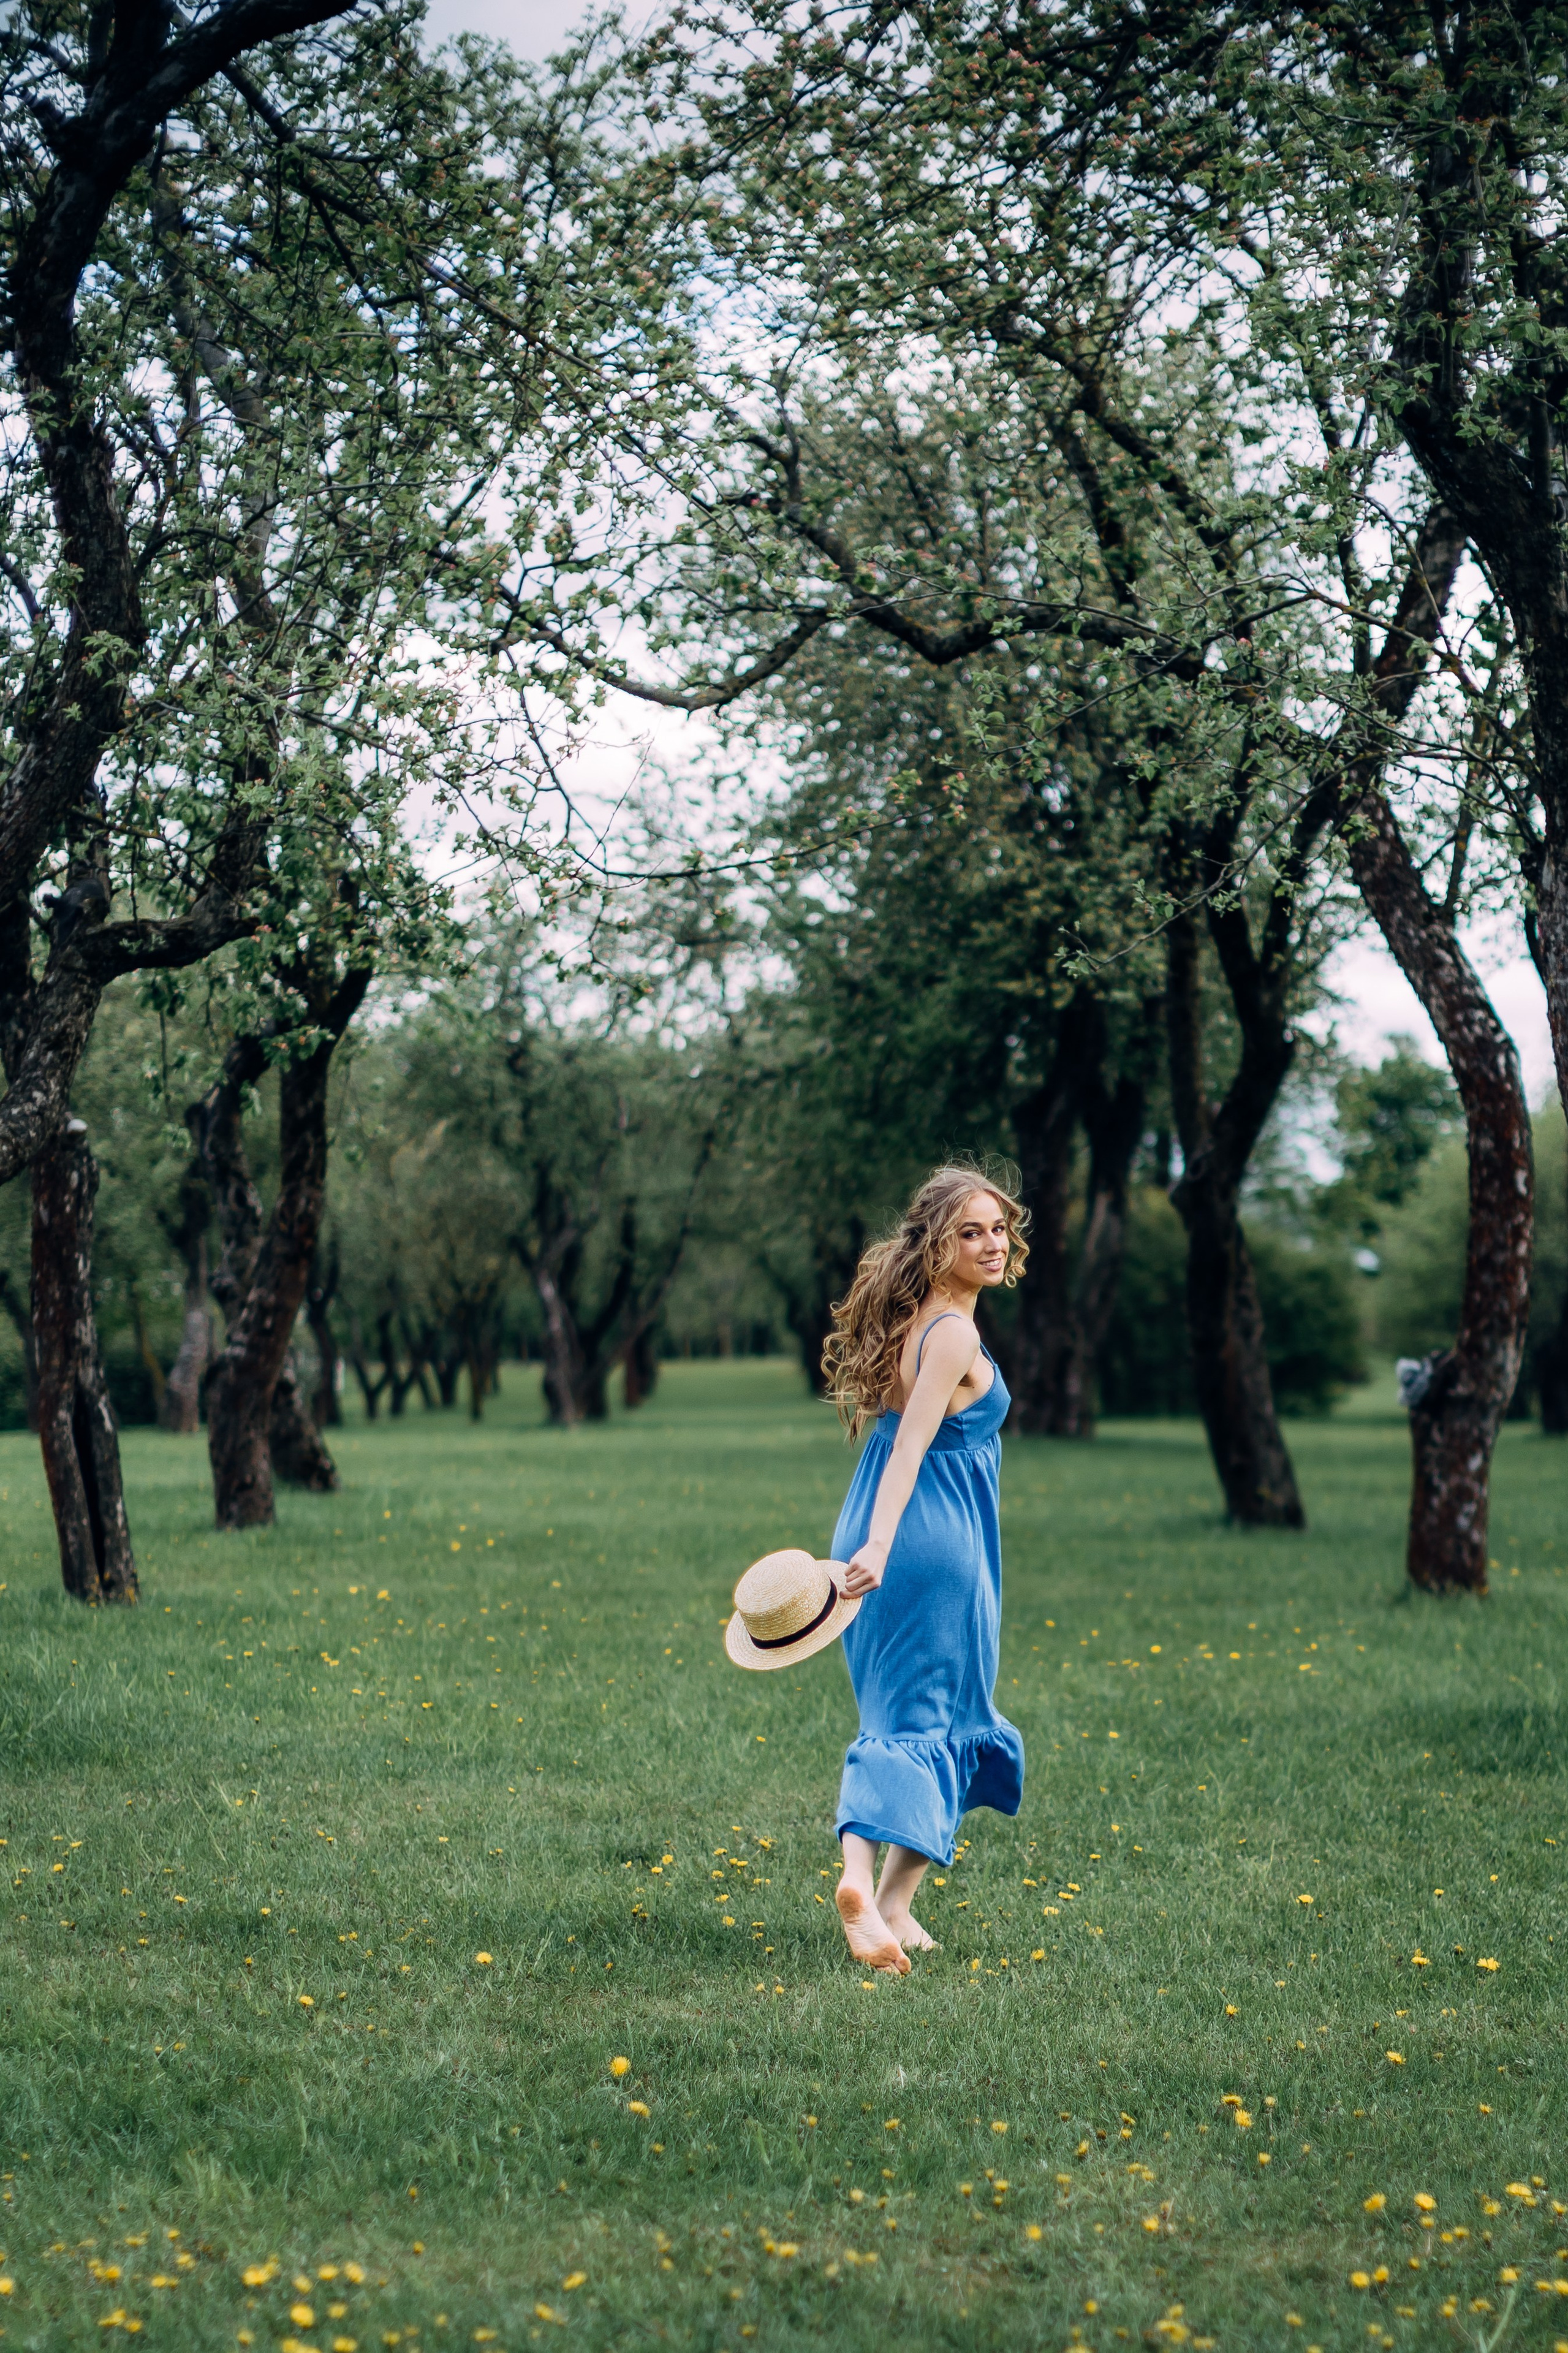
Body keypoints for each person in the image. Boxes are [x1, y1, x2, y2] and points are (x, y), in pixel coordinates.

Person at [822, 1164, 1029, 1975]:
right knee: (934, 1720)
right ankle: (861, 1886)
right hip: (928, 1538)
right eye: (970, 1232)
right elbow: (911, 1447)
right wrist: (880, 1545)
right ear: (938, 1243)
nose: (990, 1244)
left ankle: (892, 1904)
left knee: (902, 1716)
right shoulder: (953, 1335)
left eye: (998, 1229)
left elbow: (893, 1435)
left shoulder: (911, 1316)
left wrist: (865, 1542)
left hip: (875, 1525)